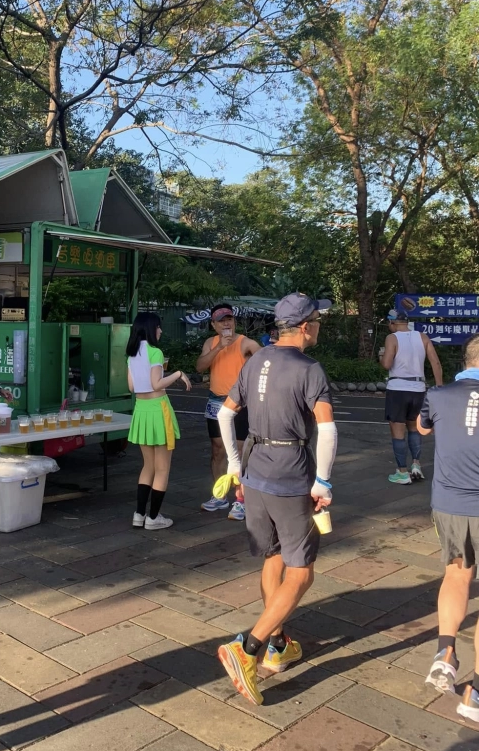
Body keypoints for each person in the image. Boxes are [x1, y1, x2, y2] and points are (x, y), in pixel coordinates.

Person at [215, 293, 337, 705]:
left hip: (255, 471)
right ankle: (248, 648)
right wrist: (322, 481)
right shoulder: (310, 369)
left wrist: (234, 466)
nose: (319, 325)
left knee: (272, 558)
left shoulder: (256, 360)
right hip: (290, 474)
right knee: (301, 572)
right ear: (305, 327)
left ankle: (278, 644)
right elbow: (327, 429)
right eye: (317, 320)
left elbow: (225, 414)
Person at [419, 333, 479, 721]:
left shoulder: (438, 395)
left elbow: (423, 428)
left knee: (456, 577)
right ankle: (475, 696)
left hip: (451, 503)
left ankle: (445, 651)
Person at [126, 311, 192, 530]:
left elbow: (132, 387)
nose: (161, 330)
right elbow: (157, 384)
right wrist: (178, 374)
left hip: (141, 410)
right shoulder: (155, 352)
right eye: (158, 326)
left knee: (148, 466)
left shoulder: (132, 354)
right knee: (162, 468)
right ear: (150, 329)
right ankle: (153, 518)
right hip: (158, 409)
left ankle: (139, 514)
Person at [196, 304, 260, 519]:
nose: (226, 323)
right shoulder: (210, 343)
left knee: (240, 452)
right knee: (217, 450)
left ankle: (241, 499)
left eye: (229, 319)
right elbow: (199, 367)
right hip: (216, 401)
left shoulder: (245, 343)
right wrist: (218, 348)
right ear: (214, 325)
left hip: (240, 403)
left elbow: (265, 359)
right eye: (221, 320)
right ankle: (219, 495)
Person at [379, 309, 443, 484]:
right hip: (418, 388)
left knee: (398, 431)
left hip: (398, 388)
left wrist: (381, 356)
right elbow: (435, 362)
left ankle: (402, 472)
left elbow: (386, 364)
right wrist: (439, 387)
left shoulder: (392, 338)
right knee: (414, 428)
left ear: (392, 323)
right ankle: (416, 464)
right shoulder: (422, 337)